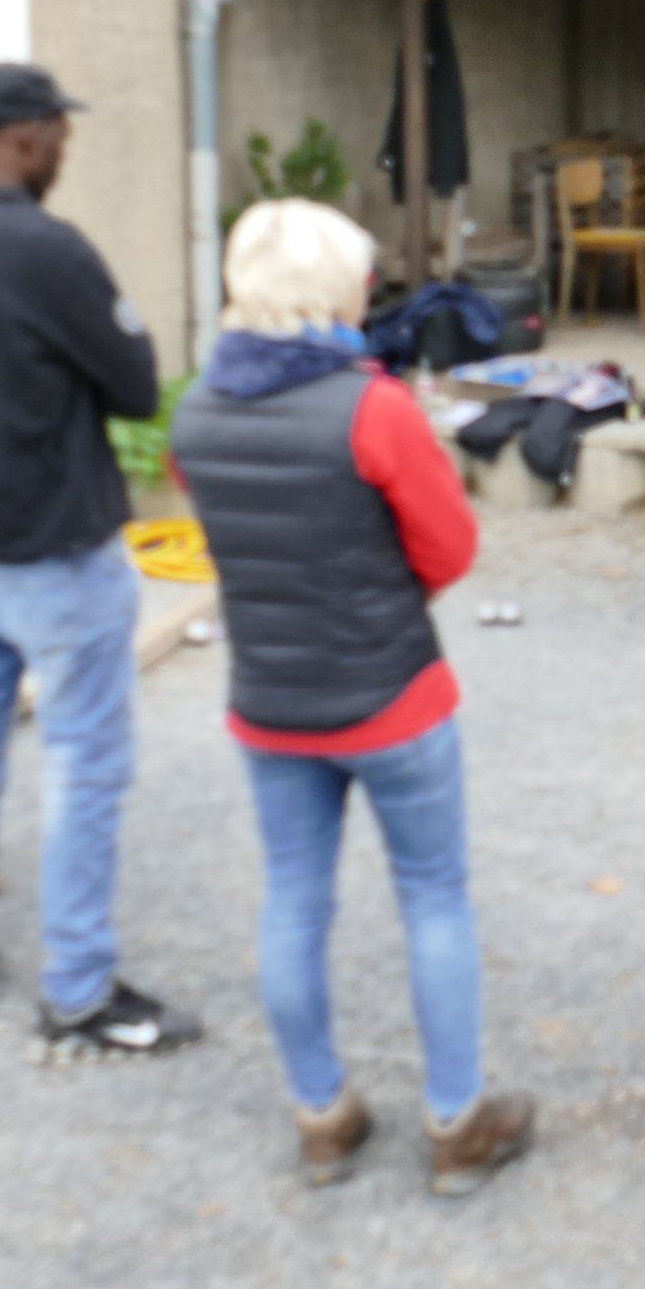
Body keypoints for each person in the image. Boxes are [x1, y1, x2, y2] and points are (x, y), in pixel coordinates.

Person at [173, 200, 534, 1195]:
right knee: (433, 897)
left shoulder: (195, 410)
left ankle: (321, 1112)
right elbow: (450, 548)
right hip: (391, 696)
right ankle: (456, 1120)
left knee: (293, 899)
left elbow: (229, 529)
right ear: (332, 291)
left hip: (269, 702)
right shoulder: (370, 406)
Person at [0, 63, 198, 1051]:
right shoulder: (45, 248)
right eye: (60, 134)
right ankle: (80, 989)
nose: (65, 151)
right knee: (83, 765)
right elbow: (136, 385)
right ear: (26, 136)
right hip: (56, 548)